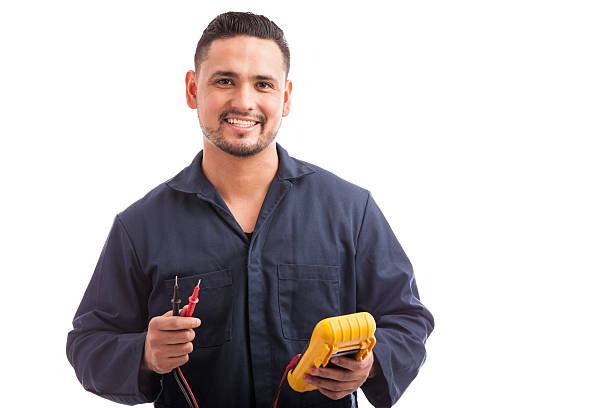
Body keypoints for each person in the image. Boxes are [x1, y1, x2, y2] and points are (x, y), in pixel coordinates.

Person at [66, 11, 434, 408]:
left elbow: (407, 319)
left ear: (286, 97)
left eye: (263, 84)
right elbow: (90, 342)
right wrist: (144, 355)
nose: (244, 101)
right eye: (224, 81)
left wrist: (372, 364)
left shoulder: (350, 210)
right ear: (193, 90)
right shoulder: (140, 226)